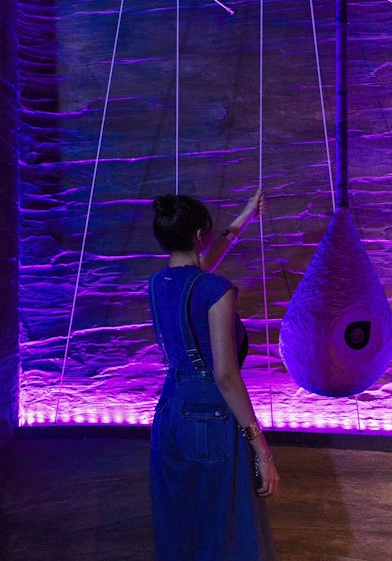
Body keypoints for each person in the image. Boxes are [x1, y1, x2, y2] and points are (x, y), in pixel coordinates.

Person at [147, 190, 279, 560]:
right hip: (209, 415)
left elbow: (196, 270)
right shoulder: (216, 290)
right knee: (222, 526)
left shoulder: (157, 284)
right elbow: (225, 374)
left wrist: (244, 217)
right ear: (199, 236)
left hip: (169, 410)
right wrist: (262, 450)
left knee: (179, 519)